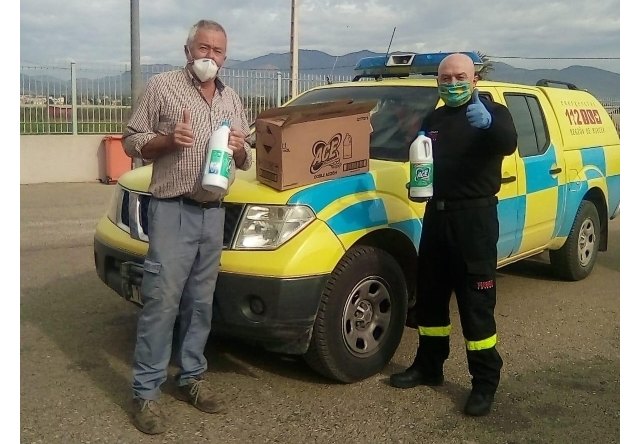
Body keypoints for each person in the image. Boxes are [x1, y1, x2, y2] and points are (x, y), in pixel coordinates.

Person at [122, 19, 252, 435]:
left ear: (225, 57)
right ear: (187, 50)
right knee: (161, 303)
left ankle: (192, 377)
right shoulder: (163, 87)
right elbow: (130, 139)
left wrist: (239, 148)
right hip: (172, 211)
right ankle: (145, 392)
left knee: (200, 303)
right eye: (203, 48)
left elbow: (247, 156)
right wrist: (165, 141)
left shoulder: (232, 98)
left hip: (213, 213)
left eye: (217, 51)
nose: (209, 57)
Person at [390, 53, 517, 417]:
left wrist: (490, 124)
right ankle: (428, 367)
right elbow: (422, 158)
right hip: (436, 216)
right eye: (445, 78)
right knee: (430, 299)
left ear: (474, 78)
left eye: (459, 76)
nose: (452, 83)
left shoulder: (492, 111)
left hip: (474, 218)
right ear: (437, 82)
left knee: (476, 307)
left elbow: (507, 142)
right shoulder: (435, 117)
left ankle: (484, 383)